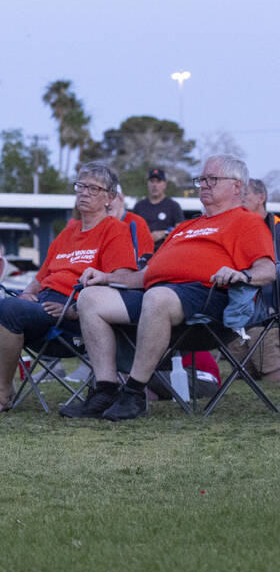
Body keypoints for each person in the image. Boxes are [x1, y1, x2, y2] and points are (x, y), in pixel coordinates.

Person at [65, 155, 276, 420]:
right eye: (201, 180)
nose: (204, 185)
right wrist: (105, 278)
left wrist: (240, 274)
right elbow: (146, 276)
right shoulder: (185, 227)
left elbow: (267, 270)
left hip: (208, 300)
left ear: (236, 186)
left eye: (212, 180)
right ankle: (105, 390)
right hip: (158, 295)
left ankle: (134, 393)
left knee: (158, 297)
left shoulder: (246, 222)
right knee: (91, 298)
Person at [0, 163, 137, 413]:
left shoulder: (115, 230)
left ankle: (2, 392)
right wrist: (28, 293)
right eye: (80, 186)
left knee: (9, 310)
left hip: (73, 316)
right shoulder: (68, 231)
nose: (83, 193)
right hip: (41, 307)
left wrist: (75, 308)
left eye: (93, 188)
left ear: (110, 197)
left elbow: (121, 279)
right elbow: (41, 277)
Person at [224, 178, 280, 382]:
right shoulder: (237, 231)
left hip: (270, 309)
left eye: (244, 195)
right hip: (241, 310)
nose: (239, 200)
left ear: (261, 197)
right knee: (244, 372)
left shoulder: (277, 229)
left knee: (260, 338)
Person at [131, 168, 185, 245]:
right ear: (148, 184)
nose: (155, 185)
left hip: (165, 252)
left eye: (158, 181)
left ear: (164, 185)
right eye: (152, 181)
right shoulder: (139, 206)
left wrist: (165, 233)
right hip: (142, 252)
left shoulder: (173, 206)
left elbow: (180, 231)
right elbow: (132, 230)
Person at [109, 186, 154, 258]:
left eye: (111, 197)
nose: (107, 202)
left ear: (121, 198)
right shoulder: (98, 223)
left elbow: (143, 259)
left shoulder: (137, 222)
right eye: (103, 198)